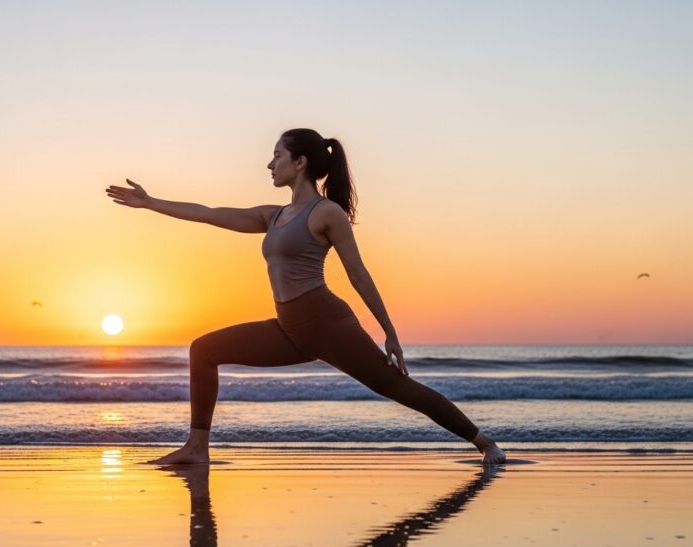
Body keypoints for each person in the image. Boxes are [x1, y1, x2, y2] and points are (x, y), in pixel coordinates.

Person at [104, 128, 506, 465]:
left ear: (299, 163)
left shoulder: (326, 213)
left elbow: (358, 273)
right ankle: (197, 447)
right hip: (290, 327)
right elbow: (209, 212)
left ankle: (484, 442)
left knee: (398, 388)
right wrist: (150, 203)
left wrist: (390, 331)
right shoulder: (273, 216)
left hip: (327, 323)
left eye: (276, 155)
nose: (269, 164)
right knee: (204, 349)